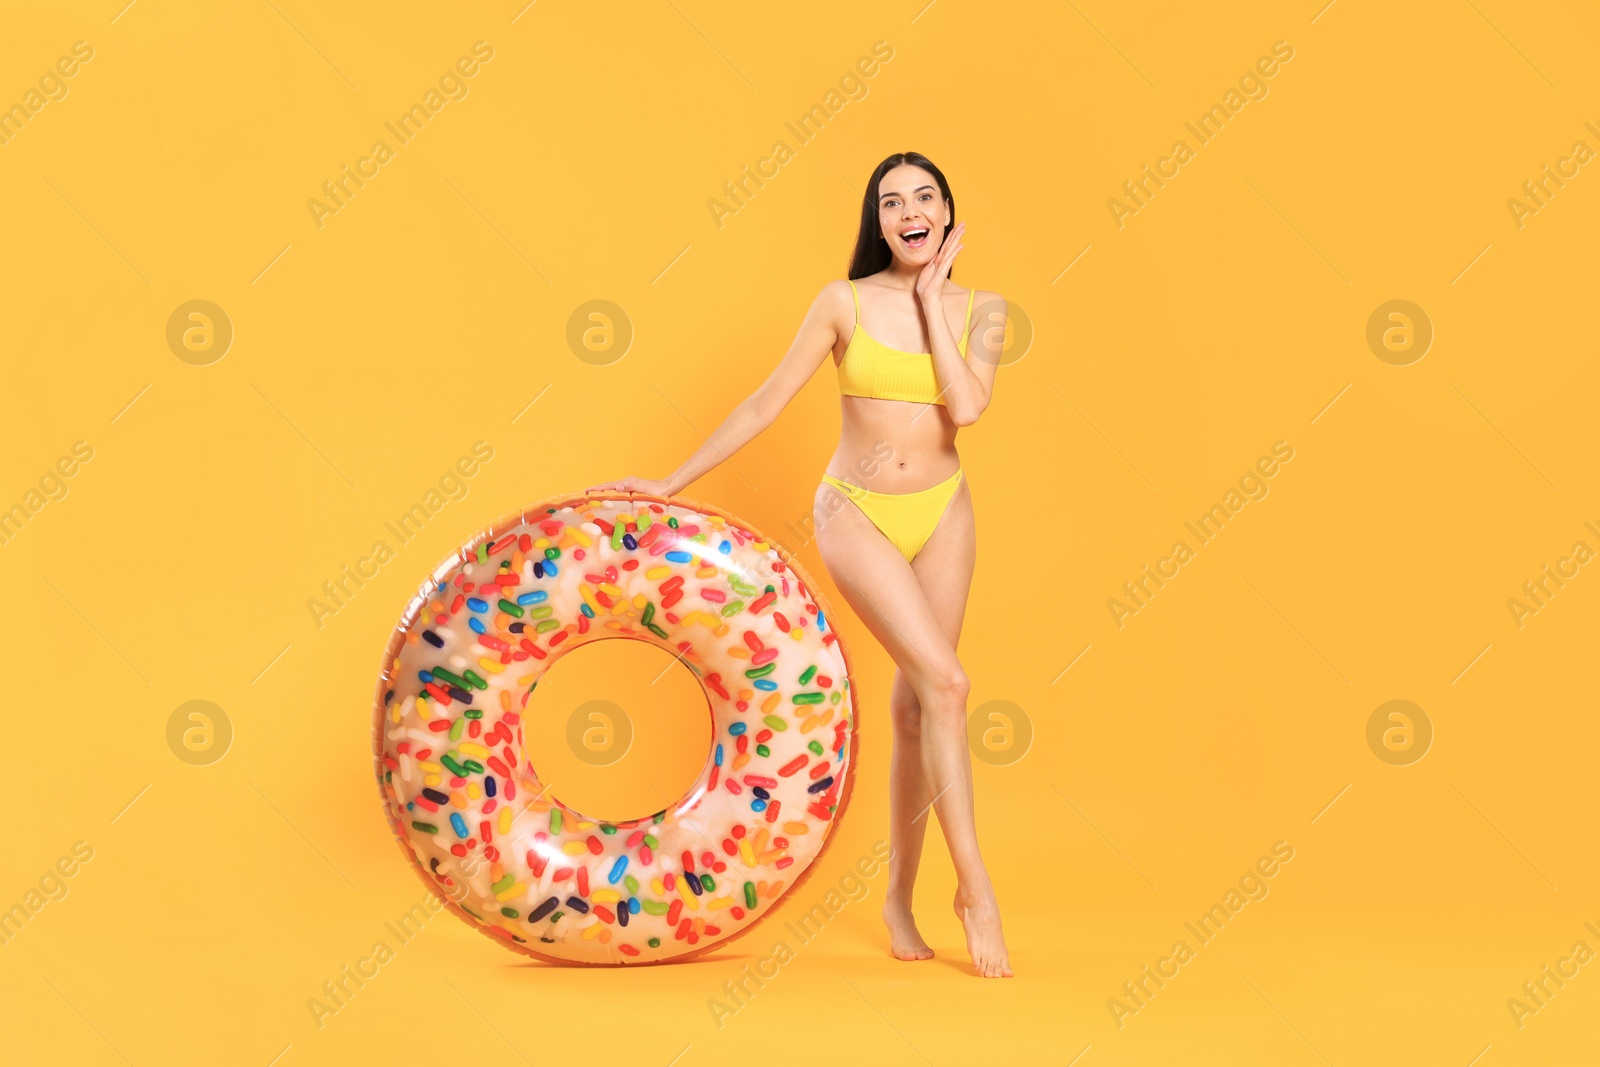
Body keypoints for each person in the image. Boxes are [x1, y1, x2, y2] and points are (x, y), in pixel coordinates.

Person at [589, 150, 1012, 977]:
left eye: (925, 197)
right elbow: (766, 401)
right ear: (877, 221)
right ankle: (977, 891)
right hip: (855, 511)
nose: (910, 212)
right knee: (950, 683)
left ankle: (898, 894)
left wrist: (932, 303)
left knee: (921, 707)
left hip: (945, 510)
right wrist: (671, 482)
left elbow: (966, 407)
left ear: (947, 211)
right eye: (892, 203)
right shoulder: (842, 301)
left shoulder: (984, 309)